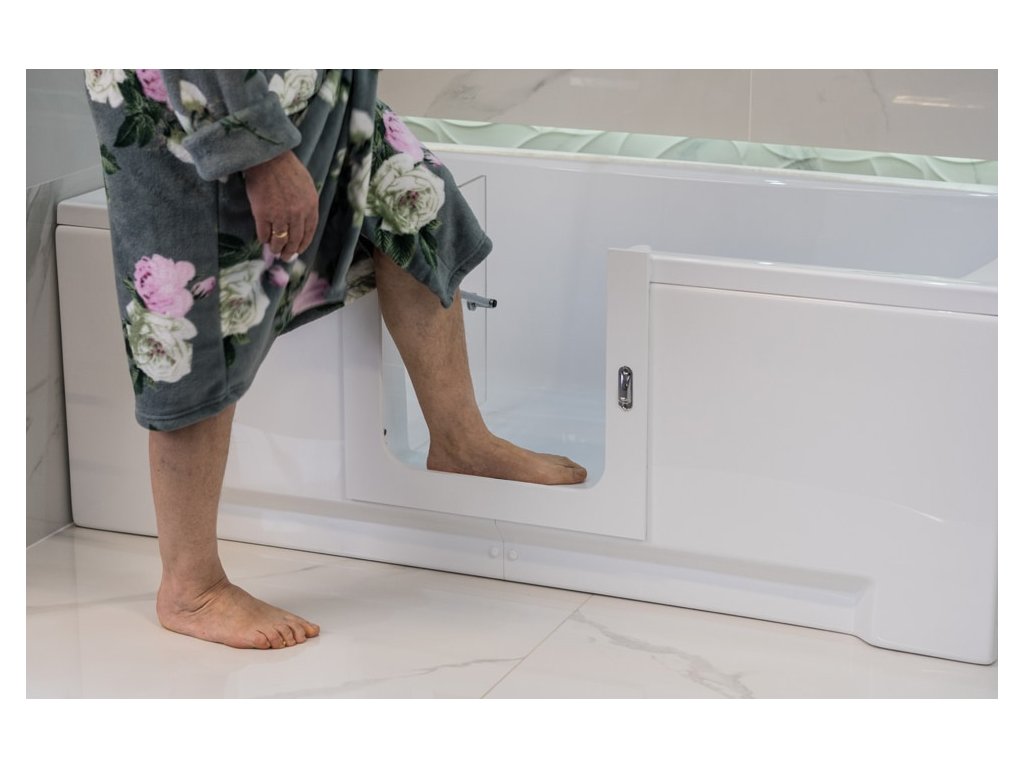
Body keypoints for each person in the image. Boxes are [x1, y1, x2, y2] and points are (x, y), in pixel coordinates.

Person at [85, 69, 586, 651]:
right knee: (195, 317)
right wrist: (261, 154)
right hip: (202, 102)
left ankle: (461, 442)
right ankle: (191, 587)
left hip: (312, 90)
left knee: (415, 199)